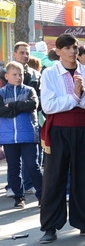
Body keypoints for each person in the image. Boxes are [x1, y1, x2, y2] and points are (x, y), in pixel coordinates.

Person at [39, 33, 85, 244]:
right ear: (58, 51)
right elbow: (49, 105)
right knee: (54, 177)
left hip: (83, 128)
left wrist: (83, 95)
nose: (72, 51)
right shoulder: (49, 73)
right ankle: (50, 226)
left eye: (74, 47)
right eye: (66, 48)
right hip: (58, 129)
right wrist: (74, 97)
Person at [0, 62, 42, 208]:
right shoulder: (1, 93)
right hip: (8, 137)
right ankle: (19, 197)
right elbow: (1, 111)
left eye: (20, 75)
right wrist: (19, 107)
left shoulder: (30, 90)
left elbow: (32, 105)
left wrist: (11, 105)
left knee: (32, 165)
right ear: (6, 76)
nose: (18, 77)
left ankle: (42, 195)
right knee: (13, 168)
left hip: (29, 134)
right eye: (14, 75)